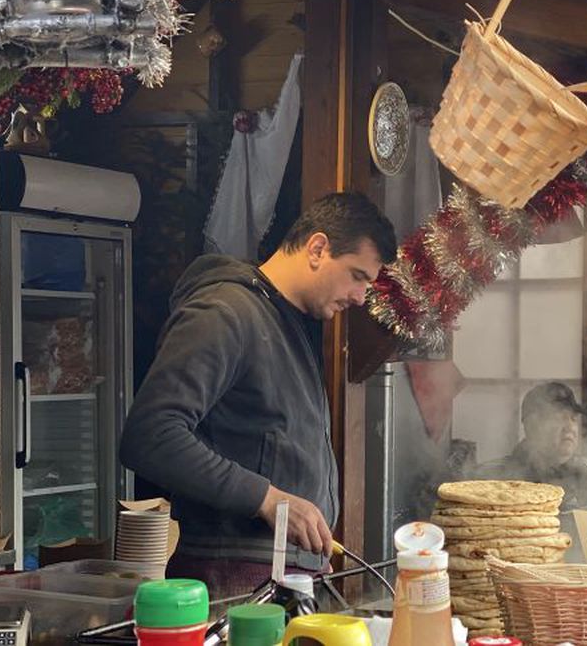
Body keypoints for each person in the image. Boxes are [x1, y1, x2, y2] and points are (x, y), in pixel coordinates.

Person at [119, 192, 397, 597]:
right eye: (357, 276)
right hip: (233, 577)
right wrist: (267, 499)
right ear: (317, 248)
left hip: (281, 574)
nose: (360, 297)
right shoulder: (224, 313)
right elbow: (150, 436)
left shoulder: (290, 322)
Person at [472, 382, 587, 517]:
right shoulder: (489, 476)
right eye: (559, 418)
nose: (570, 427)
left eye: (573, 419)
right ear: (531, 425)